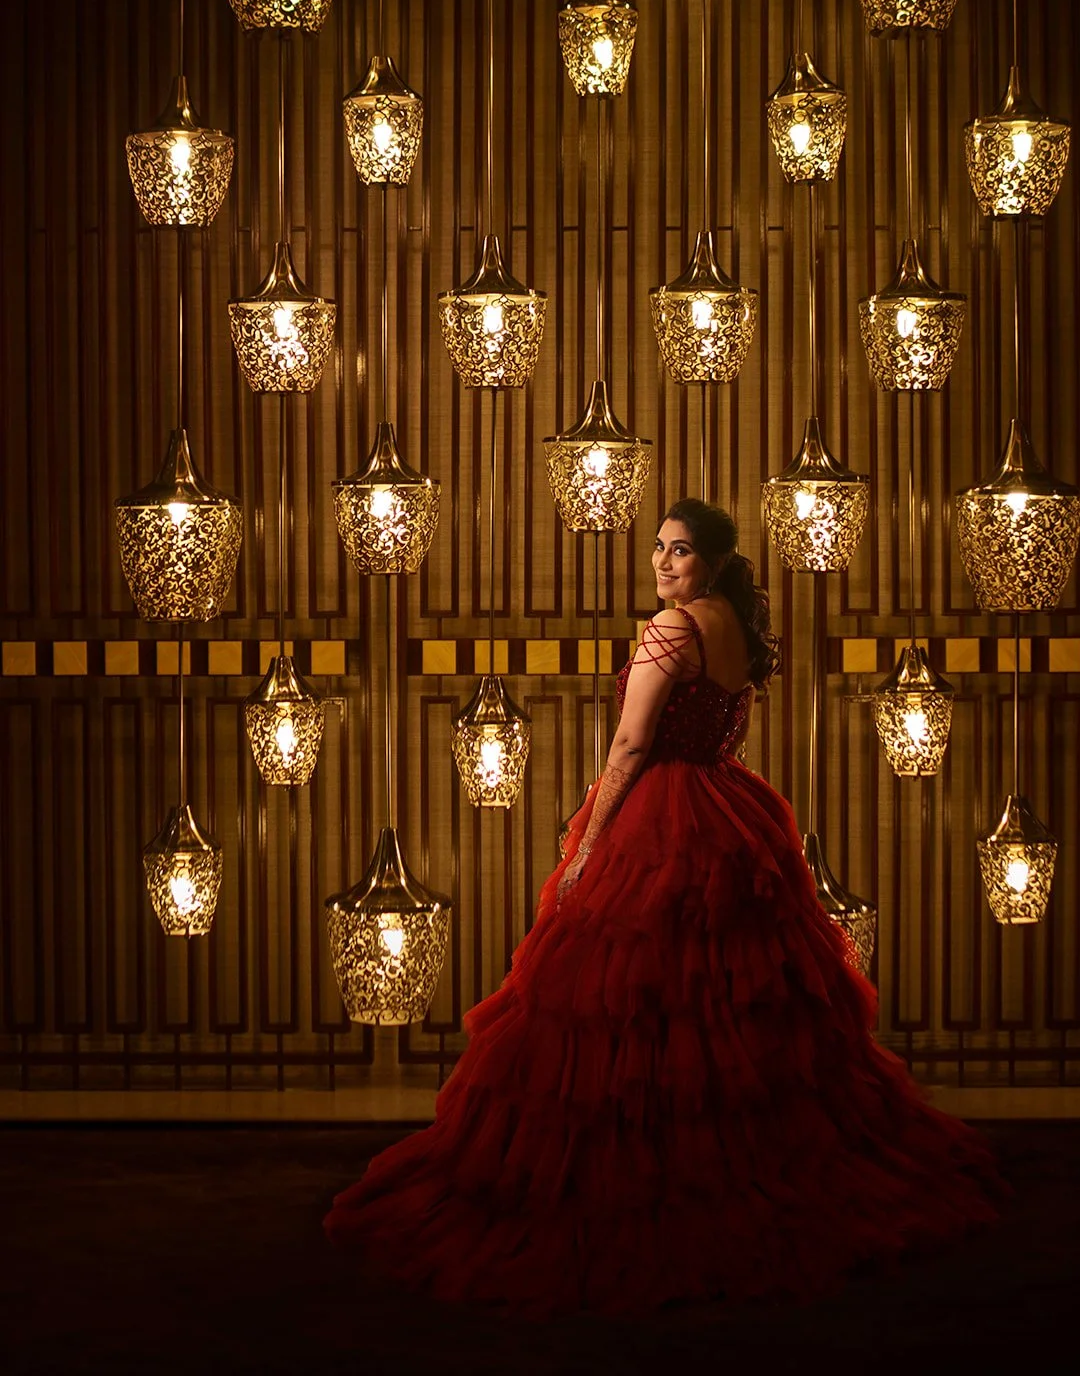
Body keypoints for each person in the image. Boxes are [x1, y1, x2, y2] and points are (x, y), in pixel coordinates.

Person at [325, 499, 999, 1317]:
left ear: (711, 562)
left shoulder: (671, 629)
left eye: (680, 552)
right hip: (729, 811)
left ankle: (646, 1185)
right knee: (722, 1012)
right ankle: (732, 1170)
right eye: (658, 550)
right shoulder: (731, 626)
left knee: (631, 1007)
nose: (663, 563)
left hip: (663, 820)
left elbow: (631, 746)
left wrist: (589, 847)